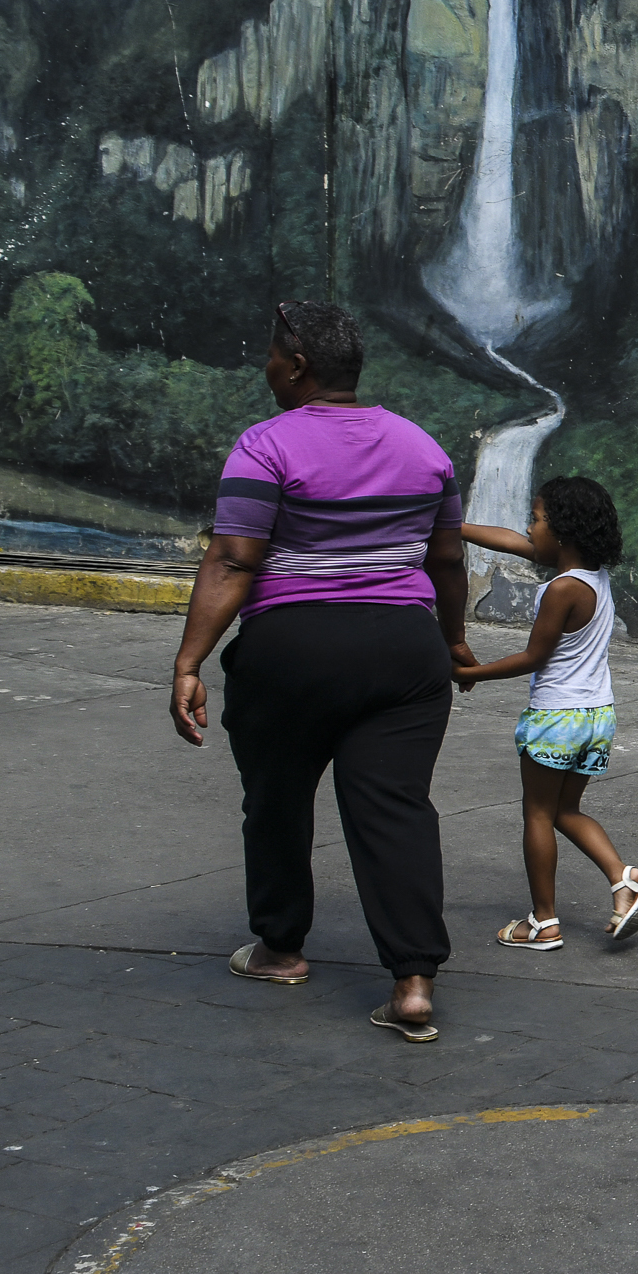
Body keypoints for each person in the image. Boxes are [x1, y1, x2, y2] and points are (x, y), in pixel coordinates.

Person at [168, 300, 468, 1044]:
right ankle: (413, 984)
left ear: (297, 366)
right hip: (405, 649)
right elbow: (448, 561)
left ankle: (280, 948)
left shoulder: (265, 446)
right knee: (395, 808)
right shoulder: (423, 447)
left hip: (293, 650)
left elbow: (236, 558)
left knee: (277, 797)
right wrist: (453, 641)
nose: (266, 367)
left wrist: (189, 661)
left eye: (271, 355)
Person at [454, 475, 638, 949]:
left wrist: (470, 672)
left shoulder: (560, 590)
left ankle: (543, 922)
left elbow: (533, 658)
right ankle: (623, 877)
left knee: (538, 815)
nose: (528, 529)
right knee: (566, 810)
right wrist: (454, 527)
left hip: (556, 720)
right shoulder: (592, 576)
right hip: (597, 717)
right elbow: (515, 543)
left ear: (563, 532)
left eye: (536, 519)